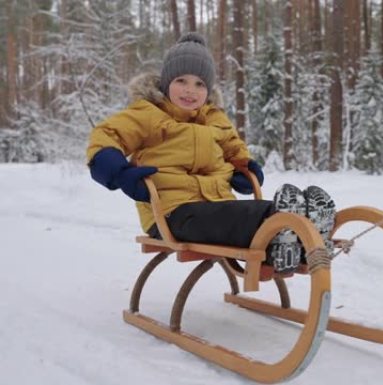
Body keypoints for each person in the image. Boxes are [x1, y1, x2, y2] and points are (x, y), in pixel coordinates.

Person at [86, 32, 335, 273]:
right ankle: (286, 223)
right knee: (238, 217)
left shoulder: (215, 119)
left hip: (218, 204)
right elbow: (105, 137)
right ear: (166, 82)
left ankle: (296, 236)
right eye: (181, 81)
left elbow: (234, 148)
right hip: (171, 213)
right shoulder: (148, 114)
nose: (190, 91)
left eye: (199, 84)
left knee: (233, 214)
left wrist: (245, 166)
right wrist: (121, 173)